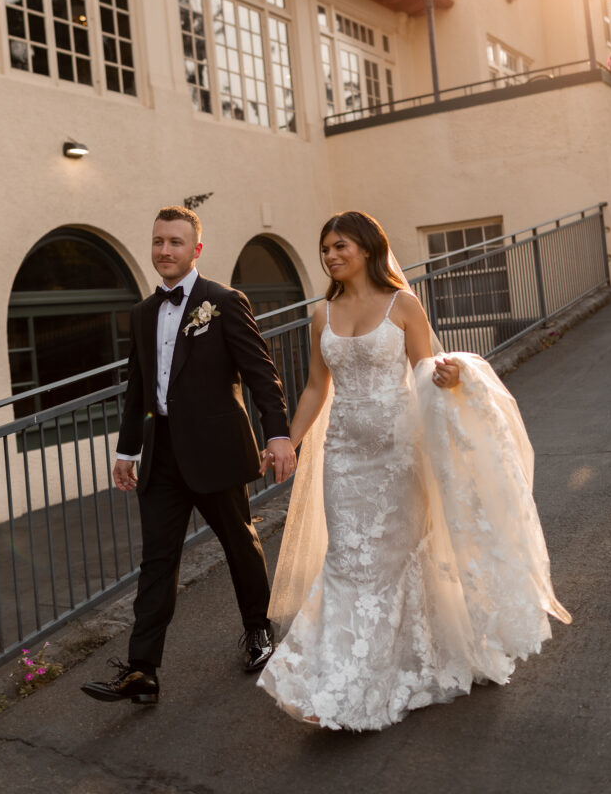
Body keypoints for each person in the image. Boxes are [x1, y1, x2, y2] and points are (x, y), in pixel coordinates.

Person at [257, 210, 571, 731]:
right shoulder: (322, 315)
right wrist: (292, 439)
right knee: (346, 563)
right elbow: (317, 386)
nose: (331, 256)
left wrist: (451, 378)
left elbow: (427, 370)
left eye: (341, 246)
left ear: (366, 249)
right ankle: (335, 680)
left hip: (399, 455)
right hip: (344, 456)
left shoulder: (403, 304)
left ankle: (366, 682)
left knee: (386, 566)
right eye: (325, 248)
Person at [82, 206, 296, 705]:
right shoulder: (140, 312)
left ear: (195, 249)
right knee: (157, 560)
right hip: (160, 456)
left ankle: (258, 632)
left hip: (216, 451)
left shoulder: (223, 301)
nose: (164, 251)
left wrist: (278, 435)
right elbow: (138, 387)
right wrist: (126, 450)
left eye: (175, 242)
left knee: (239, 544)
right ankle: (141, 670)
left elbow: (262, 374)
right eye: (158, 241)